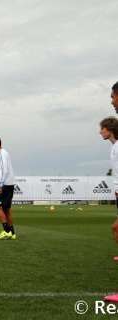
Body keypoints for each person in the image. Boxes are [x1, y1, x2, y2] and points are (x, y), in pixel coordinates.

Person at [100, 118, 118, 302]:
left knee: (116, 228)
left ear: (110, 130)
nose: (100, 132)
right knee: (116, 228)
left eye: (102, 129)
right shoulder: (114, 147)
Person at [0, 136, 17, 240]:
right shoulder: (1, 154)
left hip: (4, 185)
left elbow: (5, 170)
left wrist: (0, 185)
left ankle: (6, 230)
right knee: (6, 209)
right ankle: (12, 233)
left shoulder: (2, 153)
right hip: (8, 184)